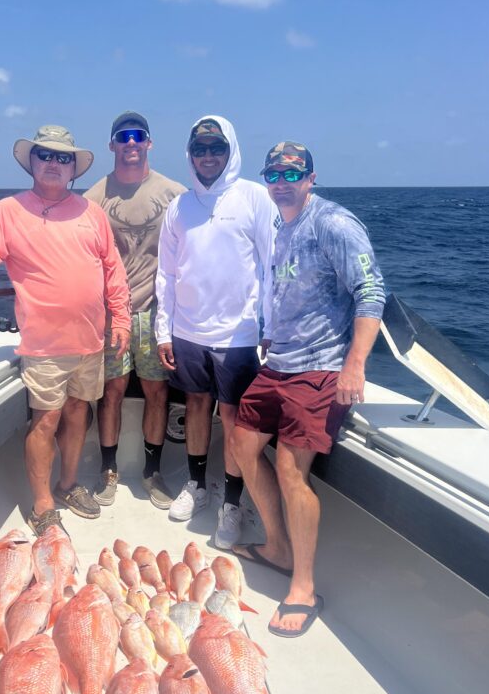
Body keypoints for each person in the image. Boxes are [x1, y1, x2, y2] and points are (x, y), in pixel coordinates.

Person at [232, 141, 386, 637]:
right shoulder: (282, 225)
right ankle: (276, 545)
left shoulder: (335, 224)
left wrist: (353, 365)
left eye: (293, 172)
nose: (282, 180)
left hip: (320, 370)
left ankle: (302, 587)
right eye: (274, 173)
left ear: (311, 177)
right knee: (239, 443)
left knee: (289, 469)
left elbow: (371, 291)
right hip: (278, 363)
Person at [0, 125, 131, 537]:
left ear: (74, 169)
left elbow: (112, 270)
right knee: (46, 421)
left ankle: (68, 485)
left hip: (91, 340)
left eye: (63, 157)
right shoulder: (7, 211)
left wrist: (120, 318)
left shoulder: (93, 214)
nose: (54, 163)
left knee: (77, 414)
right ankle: (43, 502)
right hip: (45, 345)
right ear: (31, 161)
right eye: (45, 155)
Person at [155, 115, 277, 547]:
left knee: (233, 417)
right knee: (196, 407)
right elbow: (166, 274)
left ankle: (231, 504)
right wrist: (162, 330)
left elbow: (272, 266)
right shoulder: (179, 207)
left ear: (230, 151)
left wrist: (271, 326)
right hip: (187, 331)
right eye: (200, 149)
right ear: (190, 155)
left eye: (216, 148)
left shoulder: (255, 198)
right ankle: (197, 487)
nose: (208, 157)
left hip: (239, 336)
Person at [84, 111, 185, 508]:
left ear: (149, 143)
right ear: (111, 145)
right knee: (111, 392)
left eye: (137, 136)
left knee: (158, 392)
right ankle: (109, 470)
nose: (130, 143)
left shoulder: (175, 193)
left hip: (156, 312)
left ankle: (152, 471)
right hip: (109, 312)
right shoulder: (92, 198)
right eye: (122, 137)